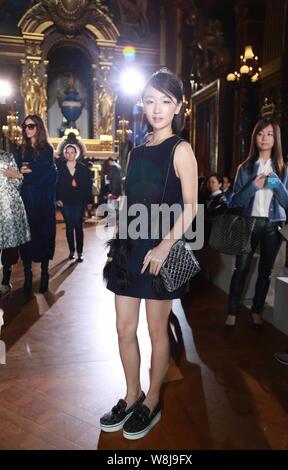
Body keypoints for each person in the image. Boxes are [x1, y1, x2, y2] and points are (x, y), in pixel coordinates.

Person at [100, 69, 198, 439]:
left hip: (161, 249)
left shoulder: (181, 149)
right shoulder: (136, 150)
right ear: (143, 103)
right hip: (130, 247)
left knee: (158, 331)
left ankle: (152, 400)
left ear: (177, 106)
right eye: (151, 100)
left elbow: (191, 207)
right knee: (124, 327)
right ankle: (132, 393)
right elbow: (132, 200)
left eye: (166, 101)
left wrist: (164, 245)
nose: (157, 108)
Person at [224, 117, 288, 329]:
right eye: (261, 133)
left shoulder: (282, 169)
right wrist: (254, 185)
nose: (265, 138)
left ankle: (256, 311)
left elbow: (287, 201)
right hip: (248, 224)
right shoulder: (244, 168)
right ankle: (232, 312)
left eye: (270, 134)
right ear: (255, 137)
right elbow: (235, 201)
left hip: (273, 226)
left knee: (265, 273)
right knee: (241, 269)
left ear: (276, 139)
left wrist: (276, 183)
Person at [16, 115, 57, 294]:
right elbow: (17, 171)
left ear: (38, 127)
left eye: (31, 126)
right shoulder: (21, 150)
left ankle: (44, 274)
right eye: (24, 127)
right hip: (25, 200)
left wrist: (24, 174)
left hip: (43, 201)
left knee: (44, 235)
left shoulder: (47, 150)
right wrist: (22, 173)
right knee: (26, 237)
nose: (27, 130)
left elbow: (45, 177)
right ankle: (27, 275)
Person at [0, 150, 31, 294]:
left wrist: (16, 175)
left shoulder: (7, 155)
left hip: (7, 206)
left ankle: (5, 280)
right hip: (7, 204)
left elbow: (18, 181)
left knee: (8, 247)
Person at [56, 144, 93, 262]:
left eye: (72, 152)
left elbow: (88, 186)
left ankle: (80, 252)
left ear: (76, 154)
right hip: (65, 201)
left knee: (78, 226)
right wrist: (57, 198)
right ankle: (71, 250)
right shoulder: (60, 167)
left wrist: (89, 201)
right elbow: (56, 185)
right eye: (67, 152)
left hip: (79, 201)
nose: (70, 154)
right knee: (69, 227)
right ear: (65, 154)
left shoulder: (83, 168)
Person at [204, 173, 228, 243]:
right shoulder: (211, 197)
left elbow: (217, 216)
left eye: (213, 182)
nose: (210, 184)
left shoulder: (221, 199)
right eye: (208, 182)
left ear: (220, 184)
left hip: (214, 232)